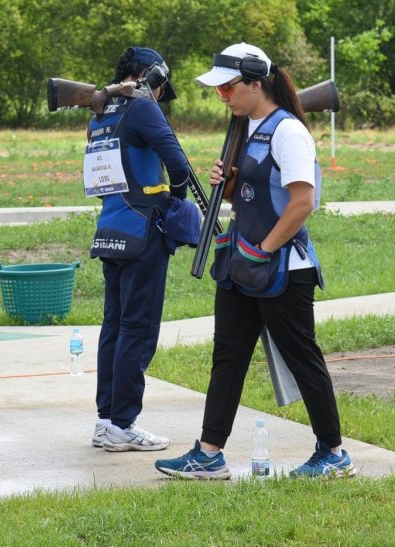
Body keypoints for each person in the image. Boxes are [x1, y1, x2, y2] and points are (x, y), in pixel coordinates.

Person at [154, 42, 356, 479]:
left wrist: (263, 249)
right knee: (227, 355)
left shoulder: (288, 131)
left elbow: (303, 202)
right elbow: (250, 194)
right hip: (240, 264)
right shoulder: (244, 129)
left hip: (281, 265)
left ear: (255, 82)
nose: (221, 96)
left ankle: (334, 452)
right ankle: (208, 453)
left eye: (228, 88)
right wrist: (226, 183)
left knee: (302, 358)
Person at [87, 47, 199, 452]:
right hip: (144, 231)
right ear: (149, 76)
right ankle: (123, 424)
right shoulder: (142, 110)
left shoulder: (100, 112)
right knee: (139, 328)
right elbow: (180, 165)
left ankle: (106, 421)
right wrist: (176, 203)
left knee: (114, 327)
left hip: (111, 228)